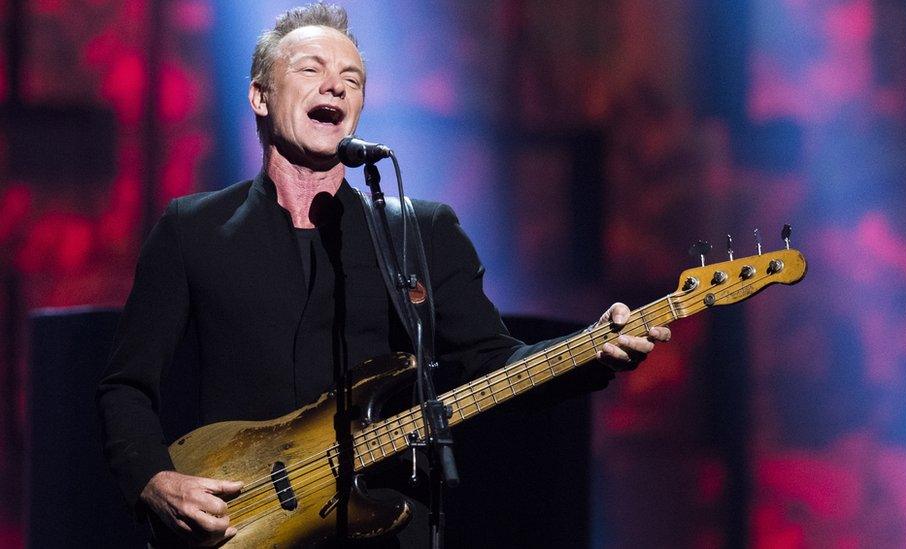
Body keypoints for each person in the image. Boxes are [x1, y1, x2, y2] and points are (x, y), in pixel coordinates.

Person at [96, 3, 671, 547]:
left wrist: (591, 351)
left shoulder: (421, 232)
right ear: (260, 96)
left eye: (352, 77)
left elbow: (493, 363)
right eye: (311, 69)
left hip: (387, 529)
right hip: (243, 525)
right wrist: (152, 479)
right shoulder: (192, 229)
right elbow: (126, 385)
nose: (336, 85)